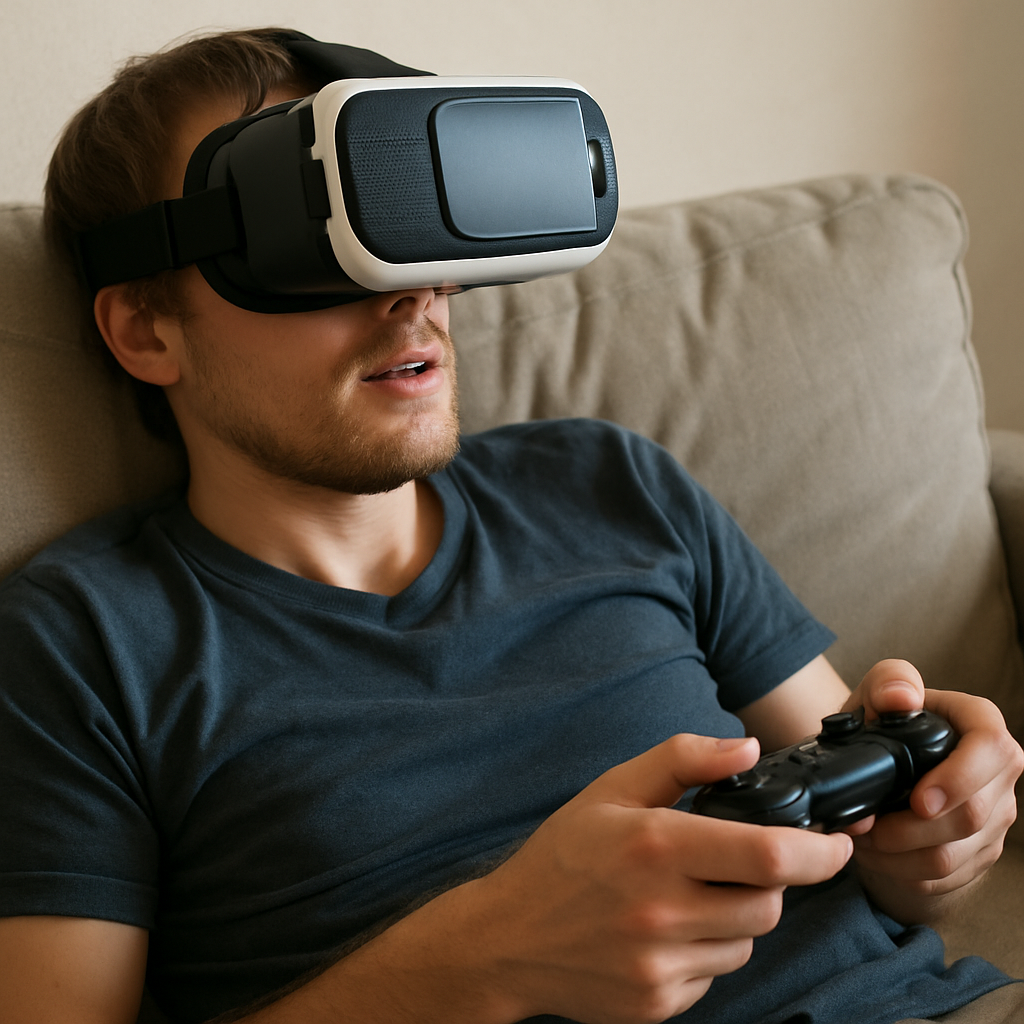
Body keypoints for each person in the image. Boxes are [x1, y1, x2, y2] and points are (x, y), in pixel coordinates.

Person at [1, 27, 1022, 1024]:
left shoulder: (610, 481)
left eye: (402, 218)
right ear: (146, 327)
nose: (409, 293)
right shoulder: (83, 639)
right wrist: (482, 960)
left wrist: (936, 840)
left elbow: (880, 853)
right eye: (310, 236)